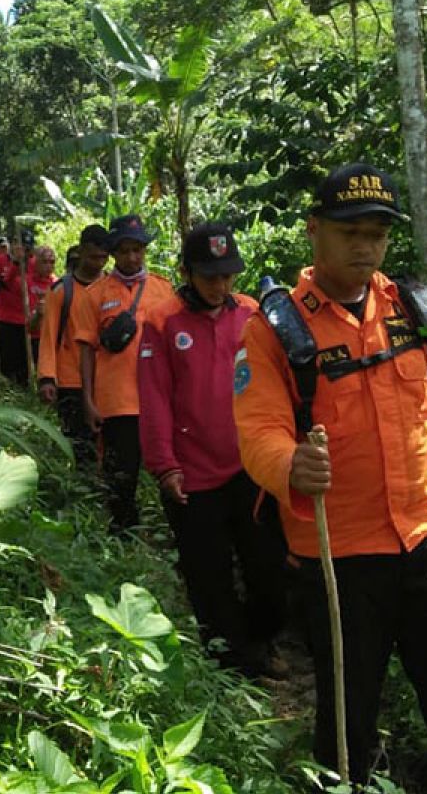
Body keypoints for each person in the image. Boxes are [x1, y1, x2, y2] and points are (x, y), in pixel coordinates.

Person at [233, 161, 427, 792]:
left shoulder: (414, 313)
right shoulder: (275, 330)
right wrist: (289, 464)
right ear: (315, 231)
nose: (365, 246)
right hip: (340, 558)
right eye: (350, 232)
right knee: (348, 718)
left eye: (377, 233)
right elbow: (256, 431)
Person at [137, 222, 288, 678]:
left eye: (227, 275)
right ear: (187, 272)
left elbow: (276, 383)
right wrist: (165, 466)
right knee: (209, 576)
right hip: (193, 474)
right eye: (209, 276)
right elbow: (155, 397)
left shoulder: (250, 313)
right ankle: (228, 663)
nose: (220, 285)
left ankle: (263, 644)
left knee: (268, 568)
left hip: (251, 467)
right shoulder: (162, 322)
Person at [73, 215, 175, 533]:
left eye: (138, 250)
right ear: (114, 252)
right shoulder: (96, 294)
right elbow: (86, 349)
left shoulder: (164, 289)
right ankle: (124, 536)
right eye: (125, 250)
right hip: (117, 403)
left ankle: (176, 531)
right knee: (121, 477)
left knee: (171, 471)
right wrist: (87, 400)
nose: (132, 258)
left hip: (159, 399)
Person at [38, 226, 110, 468]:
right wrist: (47, 378)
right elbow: (48, 335)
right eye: (92, 257)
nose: (98, 263)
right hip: (71, 380)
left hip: (104, 378)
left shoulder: (112, 288)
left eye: (103, 257)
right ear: (80, 252)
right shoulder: (61, 291)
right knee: (79, 444)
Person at [0, 237, 31, 386]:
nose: (19, 247)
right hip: (6, 318)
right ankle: (8, 389)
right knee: (8, 359)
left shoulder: (33, 263)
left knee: (24, 360)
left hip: (27, 319)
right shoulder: (1, 261)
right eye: (16, 244)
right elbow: (3, 281)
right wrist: (16, 262)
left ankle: (24, 388)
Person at [27, 246, 58, 365]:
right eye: (44, 262)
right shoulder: (27, 282)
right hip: (32, 338)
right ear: (36, 262)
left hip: (51, 338)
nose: (49, 266)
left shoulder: (57, 284)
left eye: (52, 262)